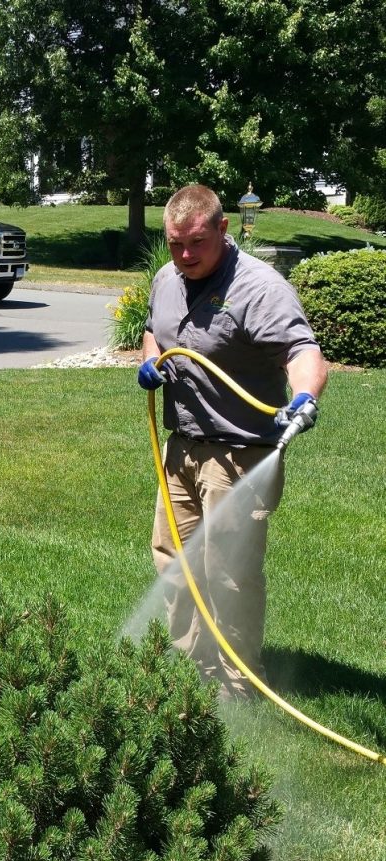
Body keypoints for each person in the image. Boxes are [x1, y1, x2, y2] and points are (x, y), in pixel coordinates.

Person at [138, 184, 328, 698]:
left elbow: (300, 349)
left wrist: (305, 396)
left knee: (228, 575)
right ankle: (190, 673)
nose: (184, 256)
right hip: (180, 449)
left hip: (240, 456)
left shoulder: (260, 288)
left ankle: (240, 686)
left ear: (223, 229)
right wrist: (151, 359)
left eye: (196, 243)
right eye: (175, 244)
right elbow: (154, 329)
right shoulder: (166, 278)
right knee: (175, 565)